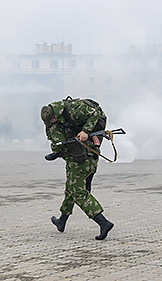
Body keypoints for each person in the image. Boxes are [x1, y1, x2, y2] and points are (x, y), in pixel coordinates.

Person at [41, 97, 114, 240]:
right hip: (89, 156)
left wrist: (85, 131)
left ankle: (103, 222)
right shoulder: (61, 119)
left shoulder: (72, 111)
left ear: (54, 117)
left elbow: (57, 144)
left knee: (79, 193)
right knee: (71, 189)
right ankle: (62, 220)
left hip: (79, 160)